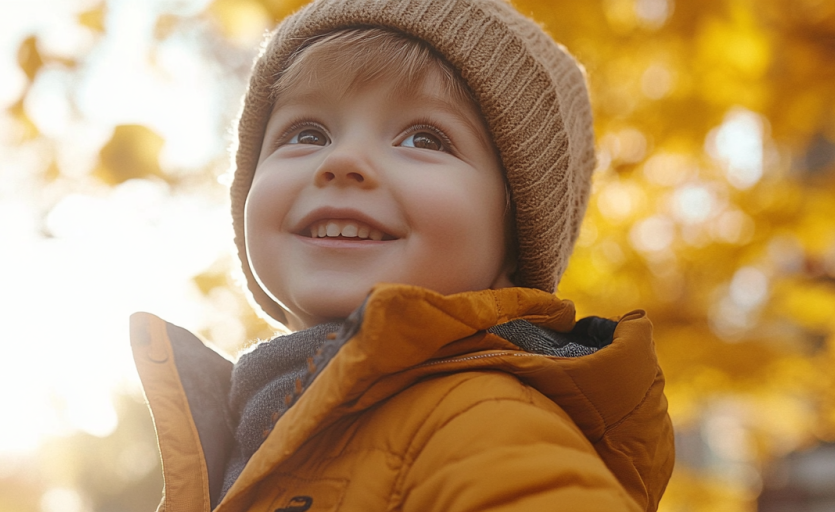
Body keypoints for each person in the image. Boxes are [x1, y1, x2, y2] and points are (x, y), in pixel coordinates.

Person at [128, 0, 675, 510]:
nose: (342, 160)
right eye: (308, 132)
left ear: (514, 234)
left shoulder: (484, 425)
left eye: (424, 139)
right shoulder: (248, 430)